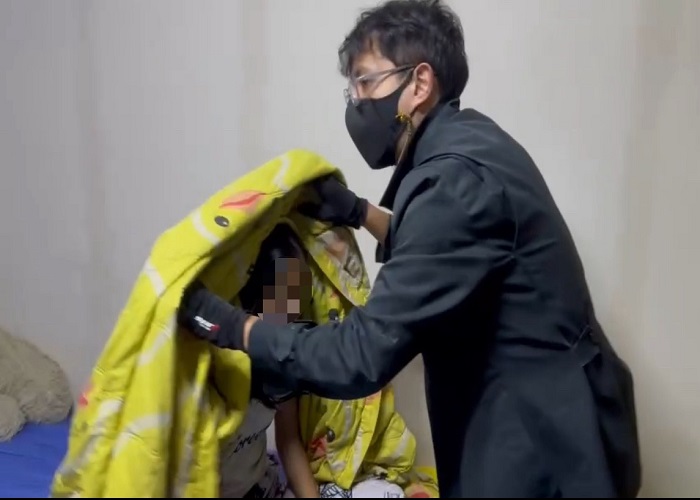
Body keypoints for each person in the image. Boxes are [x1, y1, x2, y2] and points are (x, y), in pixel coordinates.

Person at [178, 0, 642, 497]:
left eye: (365, 82)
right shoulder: (471, 142)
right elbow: (450, 256)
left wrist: (232, 327)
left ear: (419, 84)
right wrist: (359, 212)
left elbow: (360, 356)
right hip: (560, 411)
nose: (355, 102)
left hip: (543, 444)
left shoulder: (453, 184)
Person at [184, 224, 319, 498]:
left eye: (296, 303)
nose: (289, 319)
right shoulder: (207, 361)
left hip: (261, 487)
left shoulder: (281, 354)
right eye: (282, 303)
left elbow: (289, 440)